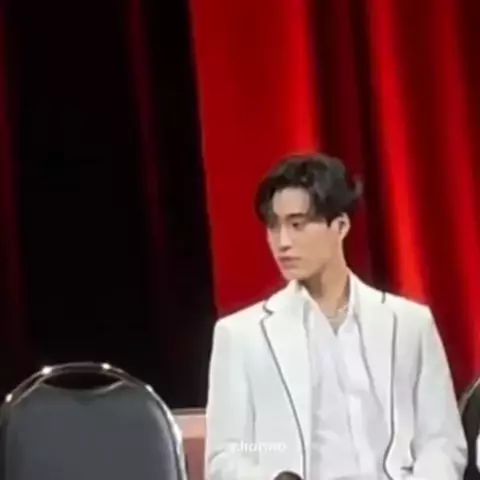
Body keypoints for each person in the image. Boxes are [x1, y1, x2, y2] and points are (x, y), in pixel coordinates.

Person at [204, 153, 467, 480]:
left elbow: (442, 442)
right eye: (273, 226)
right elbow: (225, 459)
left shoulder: (409, 324)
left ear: (340, 226)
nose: (282, 242)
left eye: (297, 225)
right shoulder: (242, 335)